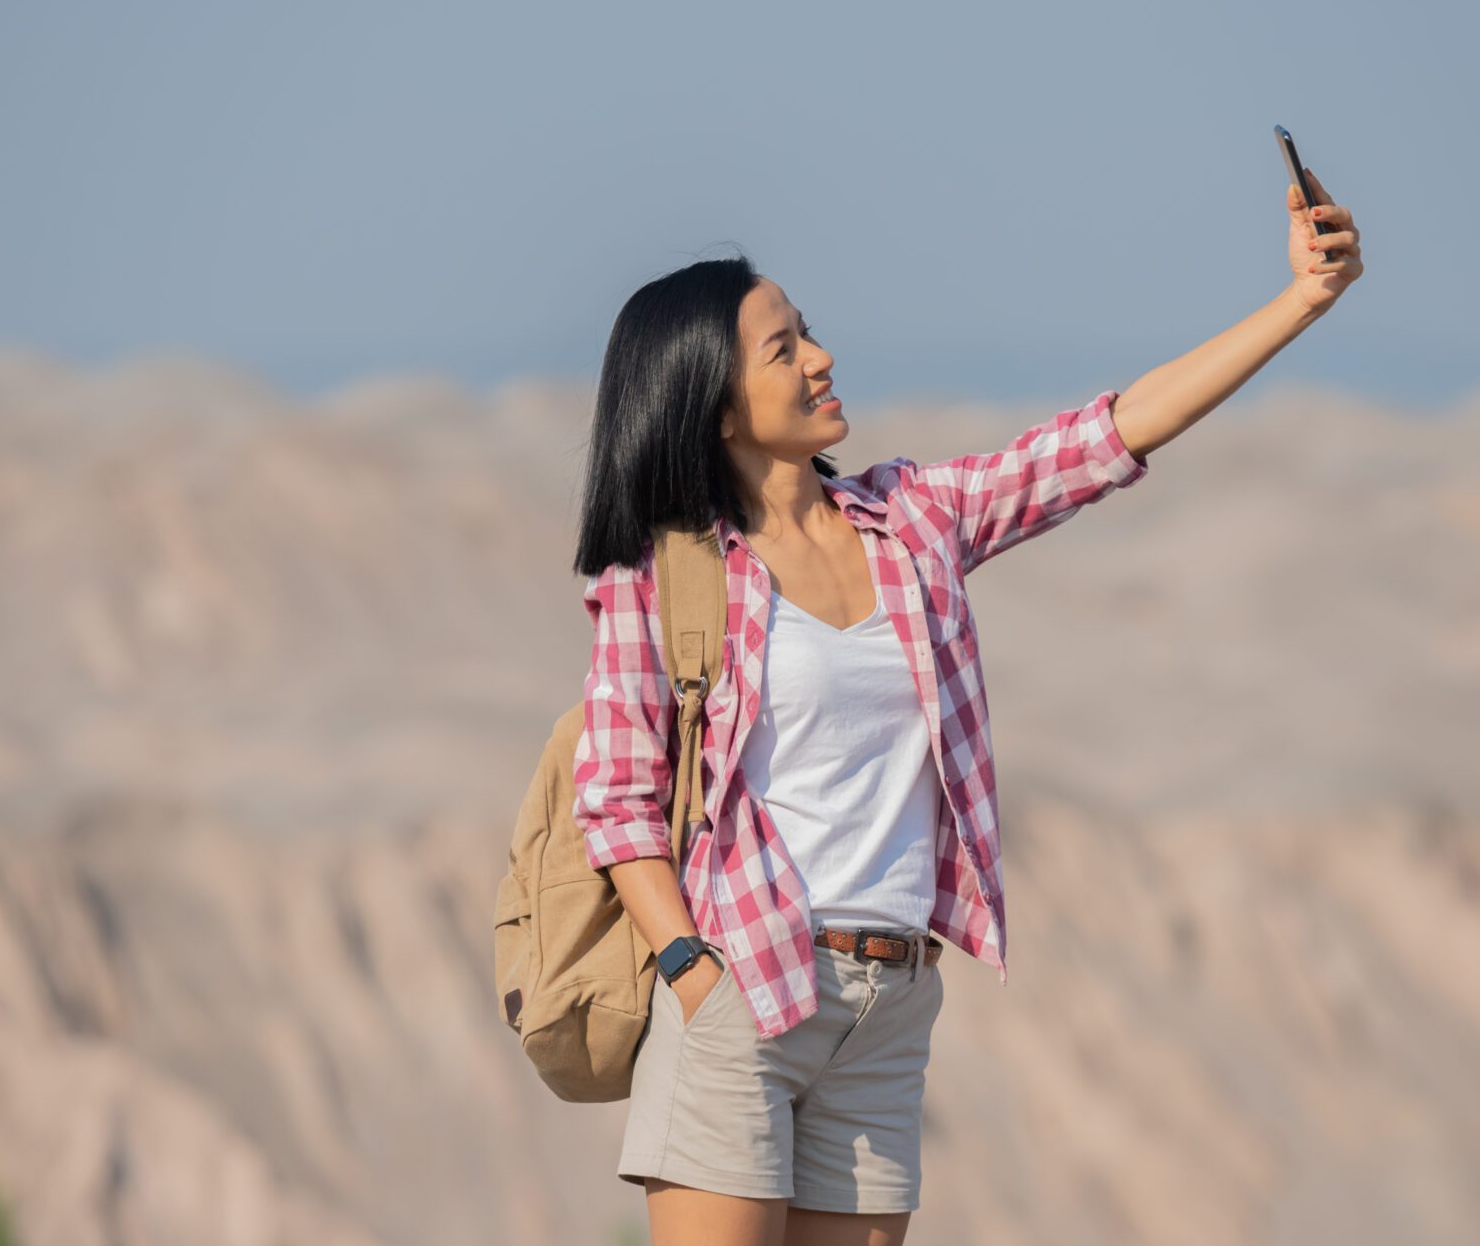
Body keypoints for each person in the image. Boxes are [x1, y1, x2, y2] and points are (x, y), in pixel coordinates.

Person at [569, 175, 1363, 1246]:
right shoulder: (664, 575)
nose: (820, 357)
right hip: (740, 988)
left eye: (809, 333)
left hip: (888, 1005)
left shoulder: (914, 520)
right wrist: (687, 970)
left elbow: (1104, 439)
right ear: (713, 403)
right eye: (783, 348)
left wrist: (1302, 301)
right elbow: (617, 799)